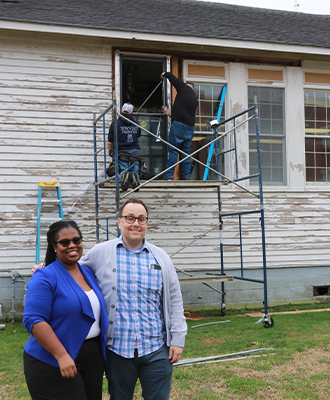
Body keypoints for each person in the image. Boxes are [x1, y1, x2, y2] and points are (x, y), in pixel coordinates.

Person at [79, 197, 187, 400]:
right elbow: (71, 269)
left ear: (147, 223)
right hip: (117, 351)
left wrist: (178, 339)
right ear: (119, 221)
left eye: (141, 219)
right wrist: (45, 270)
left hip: (157, 349)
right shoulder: (100, 253)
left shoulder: (161, 257)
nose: (135, 223)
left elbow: (175, 299)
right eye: (129, 218)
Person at [24, 220, 109, 400]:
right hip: (52, 359)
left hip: (91, 357)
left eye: (77, 240)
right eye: (65, 242)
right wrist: (61, 355)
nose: (72, 245)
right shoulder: (45, 276)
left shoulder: (87, 273)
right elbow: (33, 319)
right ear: (54, 246)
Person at [161, 72, 198, 180]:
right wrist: (168, 113)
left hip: (178, 126)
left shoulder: (183, 88)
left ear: (187, 86)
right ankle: (186, 176)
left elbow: (173, 79)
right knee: (185, 153)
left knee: (173, 151)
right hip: (189, 129)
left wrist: (165, 74)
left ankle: (169, 175)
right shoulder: (194, 99)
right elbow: (183, 114)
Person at [107, 102, 141, 191]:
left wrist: (109, 150)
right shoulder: (137, 124)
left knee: (121, 172)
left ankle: (124, 177)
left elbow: (110, 142)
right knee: (134, 169)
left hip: (121, 152)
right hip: (135, 152)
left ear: (121, 111)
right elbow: (138, 135)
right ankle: (135, 177)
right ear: (132, 113)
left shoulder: (115, 124)